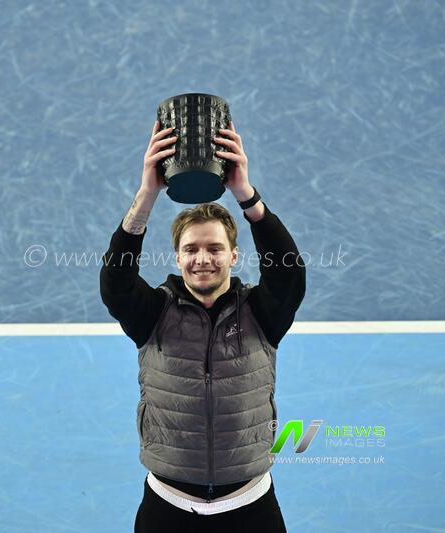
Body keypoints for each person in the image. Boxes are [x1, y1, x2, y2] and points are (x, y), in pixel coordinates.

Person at [100, 120, 306, 532]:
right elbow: (116, 284)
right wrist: (147, 196)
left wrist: (246, 196)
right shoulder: (153, 313)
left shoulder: (262, 313)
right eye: (190, 249)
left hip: (251, 506)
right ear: (177, 258)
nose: (203, 258)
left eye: (215, 248)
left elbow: (288, 272)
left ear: (233, 256)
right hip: (167, 507)